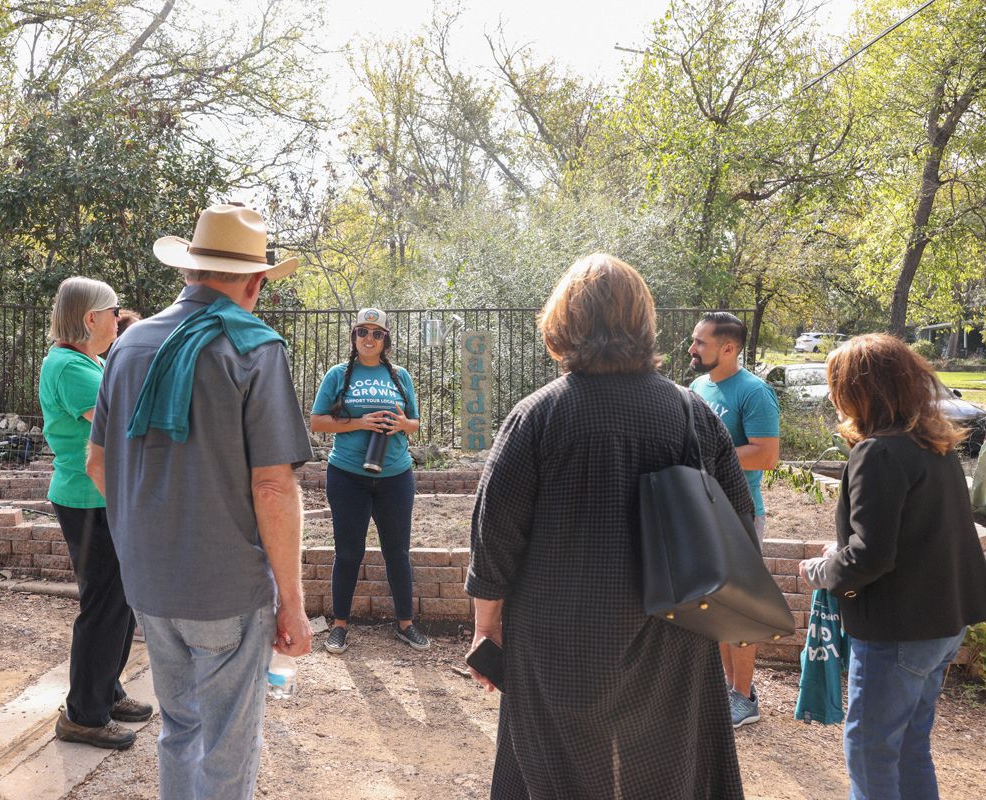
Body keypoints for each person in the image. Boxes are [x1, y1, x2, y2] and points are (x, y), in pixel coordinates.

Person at [466, 254, 750, 799]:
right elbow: (738, 522)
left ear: (563, 321)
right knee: (666, 771)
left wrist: (487, 625)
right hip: (675, 628)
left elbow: (495, 534)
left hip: (558, 633)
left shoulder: (538, 416)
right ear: (643, 322)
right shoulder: (693, 414)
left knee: (553, 769)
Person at [85, 203, 313, 799]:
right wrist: (292, 601)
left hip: (149, 582)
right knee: (229, 741)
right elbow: (272, 485)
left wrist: (150, 531)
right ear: (255, 281)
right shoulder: (254, 348)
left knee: (178, 726)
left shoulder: (129, 345)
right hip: (226, 587)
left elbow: (97, 463)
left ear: (190, 270)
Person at [799, 334, 986, 800]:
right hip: (943, 623)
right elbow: (911, 536)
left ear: (859, 390)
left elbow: (872, 556)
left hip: (898, 630)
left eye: (836, 385)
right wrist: (839, 552)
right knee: (908, 748)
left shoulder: (878, 452)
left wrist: (821, 570)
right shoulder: (932, 444)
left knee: (870, 749)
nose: (833, 396)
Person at [39, 277, 151, 750]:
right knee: (104, 606)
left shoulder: (89, 361)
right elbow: (126, 425)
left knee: (119, 605)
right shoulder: (70, 367)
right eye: (113, 310)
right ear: (91, 318)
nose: (117, 317)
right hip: (87, 498)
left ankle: (105, 689)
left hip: (102, 497)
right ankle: (84, 714)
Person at [309, 309, 426, 654]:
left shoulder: (400, 375)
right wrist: (361, 423)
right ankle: (340, 626)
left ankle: (406, 624)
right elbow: (317, 421)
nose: (369, 339)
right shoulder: (338, 375)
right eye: (363, 332)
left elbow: (415, 423)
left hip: (395, 476)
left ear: (386, 339)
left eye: (377, 333)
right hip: (347, 476)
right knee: (348, 552)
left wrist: (401, 425)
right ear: (354, 337)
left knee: (397, 552)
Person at [688, 311, 780, 727]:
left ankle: (744, 697)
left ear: (728, 348)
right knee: (715, 607)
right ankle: (728, 689)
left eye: (700, 342)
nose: (692, 348)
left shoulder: (754, 393)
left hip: (740, 514)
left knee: (740, 607)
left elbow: (766, 454)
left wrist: (707, 458)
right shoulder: (696, 387)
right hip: (702, 511)